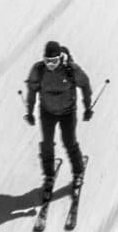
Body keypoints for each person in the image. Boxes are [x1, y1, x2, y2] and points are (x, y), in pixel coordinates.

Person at [24, 41, 92, 197]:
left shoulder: (70, 70)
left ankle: (78, 172)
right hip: (47, 112)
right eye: (48, 61)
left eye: (54, 61)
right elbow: (32, 90)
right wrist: (30, 111)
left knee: (69, 142)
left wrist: (87, 107)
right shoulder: (39, 70)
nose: (51, 65)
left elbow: (85, 84)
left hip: (67, 112)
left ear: (60, 58)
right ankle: (48, 175)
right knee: (47, 144)